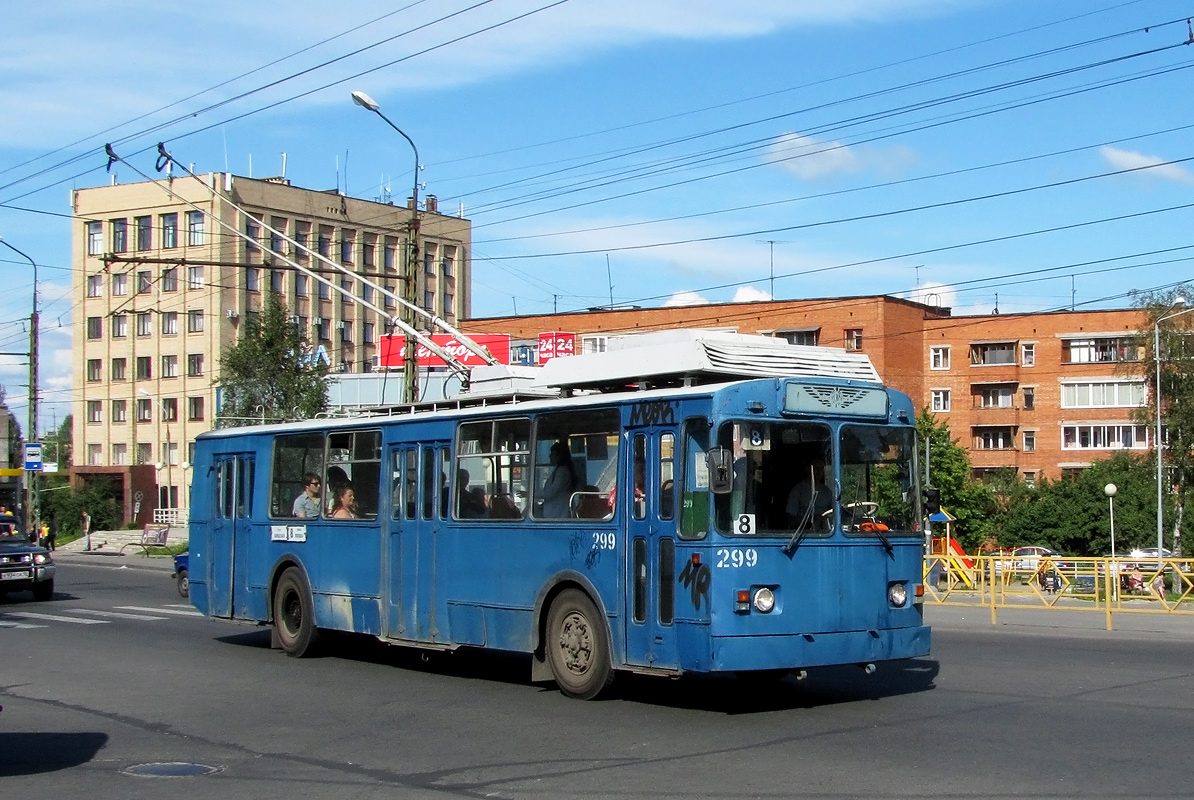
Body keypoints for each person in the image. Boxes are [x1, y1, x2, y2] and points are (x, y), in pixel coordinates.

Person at [786, 452, 832, 529]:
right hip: (805, 532)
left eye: (821, 468)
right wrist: (812, 519)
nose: (819, 472)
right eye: (816, 468)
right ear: (808, 469)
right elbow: (791, 520)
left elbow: (835, 511)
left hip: (826, 532)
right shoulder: (798, 491)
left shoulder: (826, 491)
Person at [538, 441, 577, 518]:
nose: (550, 456)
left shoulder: (562, 472)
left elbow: (550, 493)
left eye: (552, 454)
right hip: (556, 513)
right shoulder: (559, 471)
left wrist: (530, 494)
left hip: (558, 515)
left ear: (559, 456)